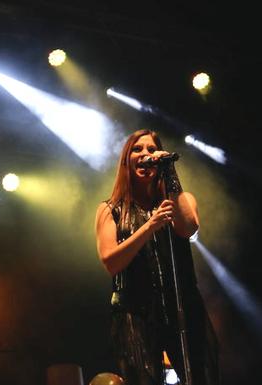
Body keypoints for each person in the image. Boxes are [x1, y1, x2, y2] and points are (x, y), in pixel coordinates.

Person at [94, 129, 219, 385]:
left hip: (182, 304)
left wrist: (170, 173)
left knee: (201, 375)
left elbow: (188, 228)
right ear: (126, 160)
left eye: (152, 150)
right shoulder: (110, 209)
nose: (146, 155)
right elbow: (111, 262)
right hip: (134, 311)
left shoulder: (181, 200)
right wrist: (148, 227)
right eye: (137, 150)